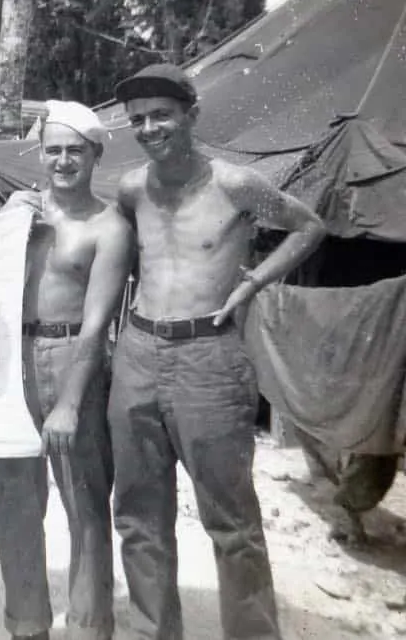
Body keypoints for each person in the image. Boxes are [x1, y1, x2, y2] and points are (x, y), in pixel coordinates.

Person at [108, 63, 327, 639]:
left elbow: (309, 227)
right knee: (137, 517)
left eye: (162, 115)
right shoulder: (132, 188)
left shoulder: (235, 183)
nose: (150, 127)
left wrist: (253, 282)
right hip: (137, 352)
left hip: (208, 357)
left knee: (232, 523)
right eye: (138, 120)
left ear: (191, 116)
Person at [0, 101, 133, 640]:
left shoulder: (109, 227)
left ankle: (87, 627)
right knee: (16, 502)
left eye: (75, 150)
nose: (63, 161)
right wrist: (8, 225)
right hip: (16, 360)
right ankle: (27, 625)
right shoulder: (19, 212)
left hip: (74, 357)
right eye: (53, 150)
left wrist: (72, 402)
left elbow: (97, 325)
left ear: (96, 153)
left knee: (85, 503)